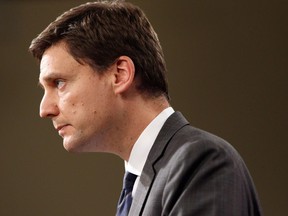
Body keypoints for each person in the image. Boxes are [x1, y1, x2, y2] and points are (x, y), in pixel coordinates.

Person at [29, 1, 262, 215]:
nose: (45, 109)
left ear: (120, 74)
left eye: (59, 83)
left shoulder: (202, 161)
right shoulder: (139, 183)